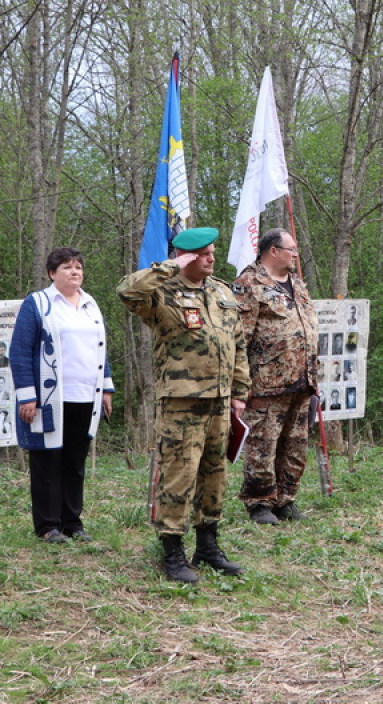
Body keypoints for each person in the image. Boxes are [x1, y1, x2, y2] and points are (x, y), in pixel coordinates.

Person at [118, 227, 250, 583]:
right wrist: (169, 266)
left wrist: (240, 391)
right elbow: (127, 290)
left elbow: (236, 343)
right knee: (179, 475)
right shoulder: (161, 292)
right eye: (203, 253)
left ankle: (208, 546)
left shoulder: (221, 291)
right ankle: (172, 552)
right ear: (187, 256)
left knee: (214, 474)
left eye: (211, 252)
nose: (211, 257)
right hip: (182, 400)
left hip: (220, 401)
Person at [11, 247, 114, 545]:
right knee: (47, 461)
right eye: (67, 267)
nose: (75, 272)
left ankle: (72, 522)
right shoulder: (38, 304)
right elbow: (19, 352)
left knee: (74, 462)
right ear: (52, 273)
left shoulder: (91, 305)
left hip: (86, 396)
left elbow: (101, 351)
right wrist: (27, 397)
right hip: (49, 398)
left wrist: (106, 388)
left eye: (78, 267)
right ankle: (47, 525)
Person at [232, 228, 319, 526]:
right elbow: (239, 339)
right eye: (291, 249)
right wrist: (241, 387)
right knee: (263, 446)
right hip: (267, 384)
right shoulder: (249, 283)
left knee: (295, 446)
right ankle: (259, 502)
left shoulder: (297, 283)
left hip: (302, 380)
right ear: (273, 251)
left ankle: (285, 499)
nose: (295, 254)